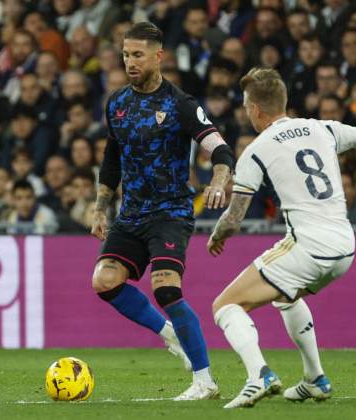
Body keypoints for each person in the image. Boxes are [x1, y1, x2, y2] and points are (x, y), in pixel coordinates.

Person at [207, 68, 356, 408]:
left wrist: (217, 235)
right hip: (345, 246)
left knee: (225, 306)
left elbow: (234, 218)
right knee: (286, 297)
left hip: (309, 246)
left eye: (246, 107)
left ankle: (259, 375)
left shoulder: (256, 150)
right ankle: (315, 378)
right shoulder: (324, 128)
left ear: (255, 109)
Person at [90, 22, 235, 400]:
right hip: (131, 214)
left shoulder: (181, 104)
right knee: (104, 281)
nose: (130, 62)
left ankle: (204, 381)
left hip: (170, 212)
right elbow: (111, 161)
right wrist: (100, 206)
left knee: (166, 289)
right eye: (125, 55)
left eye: (137, 55)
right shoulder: (117, 103)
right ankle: (168, 332)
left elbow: (220, 149)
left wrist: (220, 180)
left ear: (159, 56)